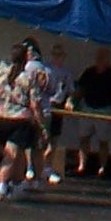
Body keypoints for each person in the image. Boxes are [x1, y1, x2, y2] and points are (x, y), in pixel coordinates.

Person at [0, 42, 45, 202]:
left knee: (18, 154)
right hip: (19, 119)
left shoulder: (0, 74)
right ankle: (2, 185)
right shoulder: (27, 78)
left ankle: (17, 184)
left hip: (0, 116)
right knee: (11, 155)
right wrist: (41, 125)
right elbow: (34, 104)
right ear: (26, 58)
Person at [76, 46, 111, 178]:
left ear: (108, 60)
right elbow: (80, 90)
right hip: (87, 107)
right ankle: (82, 165)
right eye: (98, 57)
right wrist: (71, 101)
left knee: (103, 141)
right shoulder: (89, 72)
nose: (100, 59)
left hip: (105, 110)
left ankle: (102, 167)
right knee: (83, 138)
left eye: (103, 57)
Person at [36, 41, 74, 184]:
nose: (59, 57)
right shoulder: (45, 69)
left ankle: (47, 168)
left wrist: (69, 101)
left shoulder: (66, 73)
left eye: (61, 55)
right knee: (41, 139)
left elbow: (70, 91)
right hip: (46, 105)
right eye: (56, 54)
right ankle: (34, 167)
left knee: (54, 140)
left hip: (58, 106)